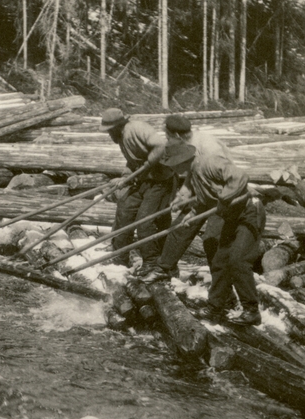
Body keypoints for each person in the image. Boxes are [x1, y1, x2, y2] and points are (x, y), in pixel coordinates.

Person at [142, 114, 264, 326]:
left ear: (182, 161)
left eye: (174, 166)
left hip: (248, 211)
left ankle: (251, 310)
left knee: (237, 259)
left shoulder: (209, 161)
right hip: (230, 215)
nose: (174, 171)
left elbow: (240, 176)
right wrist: (190, 214)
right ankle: (217, 306)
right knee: (219, 260)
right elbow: (202, 200)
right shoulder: (193, 171)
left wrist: (225, 199)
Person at [101, 108, 170, 270]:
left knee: (144, 222)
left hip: (159, 181)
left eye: (109, 131)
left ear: (117, 126)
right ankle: (119, 259)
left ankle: (152, 264)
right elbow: (132, 162)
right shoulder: (120, 137)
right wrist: (125, 179)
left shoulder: (137, 128)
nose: (109, 135)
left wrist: (150, 162)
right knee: (124, 210)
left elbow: (161, 145)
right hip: (141, 181)